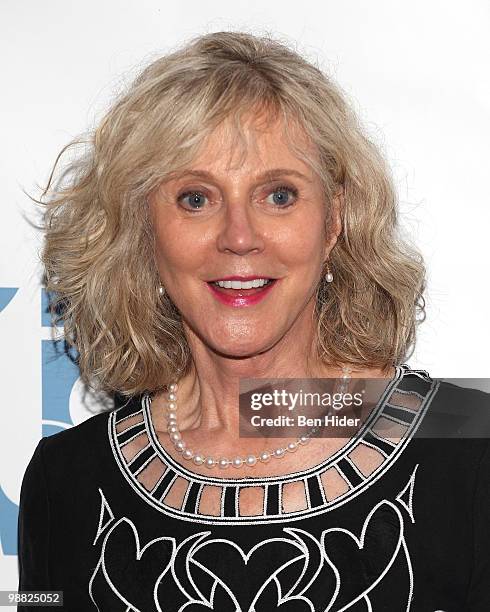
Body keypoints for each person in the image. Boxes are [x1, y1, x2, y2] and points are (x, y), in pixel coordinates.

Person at [17, 31, 490, 611]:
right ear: (143, 229)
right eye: (196, 198)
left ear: (334, 221)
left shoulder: (472, 448)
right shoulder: (64, 483)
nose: (239, 238)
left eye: (279, 195)